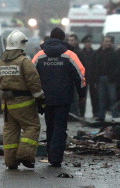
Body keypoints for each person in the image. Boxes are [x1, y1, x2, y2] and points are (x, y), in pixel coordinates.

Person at [32, 27, 86, 168]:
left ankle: (51, 154)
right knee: (60, 127)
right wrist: (82, 94)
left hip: (46, 98)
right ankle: (56, 158)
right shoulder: (69, 55)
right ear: (63, 39)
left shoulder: (39, 55)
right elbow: (80, 76)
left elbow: (31, 76)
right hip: (63, 98)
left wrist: (35, 95)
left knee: (50, 126)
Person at [0, 30, 45, 170]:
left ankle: (10, 162)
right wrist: (41, 99)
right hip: (23, 102)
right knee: (32, 127)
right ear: (21, 44)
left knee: (10, 131)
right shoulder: (24, 62)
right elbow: (34, 82)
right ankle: (24, 155)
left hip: (6, 104)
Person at [92, 35, 119, 122]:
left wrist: (113, 76)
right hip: (100, 78)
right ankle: (101, 116)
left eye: (109, 41)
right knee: (101, 98)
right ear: (102, 42)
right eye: (106, 41)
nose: (108, 43)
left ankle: (115, 116)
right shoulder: (97, 53)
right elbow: (94, 67)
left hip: (110, 78)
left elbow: (116, 67)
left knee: (113, 98)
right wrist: (95, 79)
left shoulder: (113, 53)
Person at [67, 33, 85, 118]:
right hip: (68, 78)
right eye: (69, 40)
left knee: (76, 97)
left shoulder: (79, 52)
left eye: (72, 40)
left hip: (76, 77)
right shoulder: (66, 52)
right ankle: (70, 113)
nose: (71, 42)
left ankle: (75, 113)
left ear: (76, 41)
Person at [79, 35, 96, 118]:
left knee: (94, 96)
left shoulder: (95, 53)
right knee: (83, 96)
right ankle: (82, 113)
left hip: (92, 77)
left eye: (89, 42)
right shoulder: (81, 53)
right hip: (83, 77)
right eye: (86, 42)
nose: (88, 44)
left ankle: (95, 113)